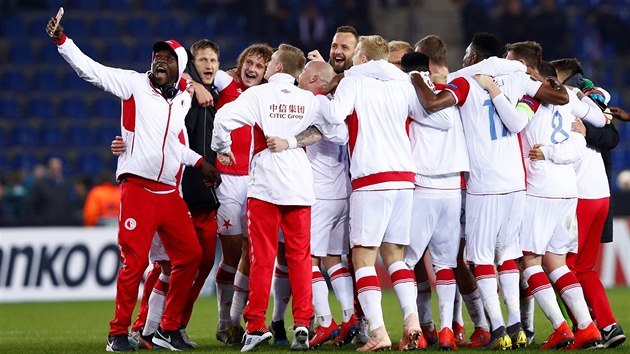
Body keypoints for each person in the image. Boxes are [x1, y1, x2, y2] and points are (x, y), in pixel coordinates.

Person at [46, 14, 221, 352]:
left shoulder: (182, 97)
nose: (159, 60)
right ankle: (117, 334)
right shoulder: (133, 84)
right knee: (134, 263)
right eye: (157, 56)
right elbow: (91, 70)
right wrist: (62, 42)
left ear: (178, 67)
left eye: (167, 59)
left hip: (170, 193)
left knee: (192, 256)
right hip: (138, 189)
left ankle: (168, 329)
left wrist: (199, 162)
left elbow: (172, 143)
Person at [411, 32, 570, 350]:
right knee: (509, 256)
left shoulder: (465, 78)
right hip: (516, 182)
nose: (465, 57)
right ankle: (515, 324)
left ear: (475, 55)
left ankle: (498, 330)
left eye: (468, 52)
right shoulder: (517, 73)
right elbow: (560, 97)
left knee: (481, 258)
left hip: (484, 184)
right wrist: (536, 83)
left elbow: (432, 104)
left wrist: (416, 76)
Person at [212, 44, 338, 352]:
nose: (265, 68)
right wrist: (294, 140)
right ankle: (303, 324)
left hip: (266, 187)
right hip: (299, 186)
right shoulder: (309, 100)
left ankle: (255, 325)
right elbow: (330, 130)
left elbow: (223, 120)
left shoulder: (258, 95)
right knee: (299, 258)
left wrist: (222, 147)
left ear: (279, 67)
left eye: (270, 64)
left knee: (262, 257)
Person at [318, 35, 432, 352]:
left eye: (355, 54)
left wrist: (319, 99)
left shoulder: (354, 82)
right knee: (395, 256)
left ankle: (379, 332)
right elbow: (424, 116)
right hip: (404, 178)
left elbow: (335, 114)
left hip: (372, 178)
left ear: (364, 58)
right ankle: (412, 324)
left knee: (363, 258)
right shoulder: (404, 84)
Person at [267, 60, 357, 348]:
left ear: (315, 79)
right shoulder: (335, 104)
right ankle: (349, 317)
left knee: (306, 260)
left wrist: (290, 141)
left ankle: (325, 320)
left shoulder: (314, 102)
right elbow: (341, 133)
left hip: (320, 194)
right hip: (342, 193)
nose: (298, 78)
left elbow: (328, 134)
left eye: (303, 74)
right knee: (333, 260)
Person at [414, 34, 491, 348]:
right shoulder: (467, 84)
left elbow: (432, 112)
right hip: (460, 186)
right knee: (453, 262)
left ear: (424, 60)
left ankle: (421, 330)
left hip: (427, 183)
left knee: (407, 259)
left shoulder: (430, 89)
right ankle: (461, 326)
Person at [551, 59, 626, 348]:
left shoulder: (565, 103)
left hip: (580, 196)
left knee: (563, 267)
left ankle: (588, 328)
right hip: (600, 196)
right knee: (583, 268)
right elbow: (608, 128)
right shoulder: (592, 105)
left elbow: (609, 135)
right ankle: (606, 325)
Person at [210, 43, 274, 346]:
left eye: (259, 66)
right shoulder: (226, 83)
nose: (252, 69)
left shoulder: (266, 95)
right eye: (249, 63)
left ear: (266, 73)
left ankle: (235, 321)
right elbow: (198, 70)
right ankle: (225, 321)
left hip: (256, 180)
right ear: (240, 65)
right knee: (233, 253)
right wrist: (197, 84)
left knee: (253, 252)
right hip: (227, 182)